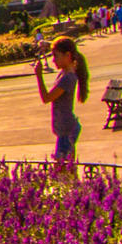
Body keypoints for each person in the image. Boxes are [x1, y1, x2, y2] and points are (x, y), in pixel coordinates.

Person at [35, 35, 89, 167]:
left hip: (66, 130)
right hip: (65, 128)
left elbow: (46, 98)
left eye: (56, 56)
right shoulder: (65, 72)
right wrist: (46, 44)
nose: (53, 60)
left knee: (63, 170)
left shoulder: (68, 77)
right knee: (65, 169)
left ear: (68, 56)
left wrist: (39, 76)